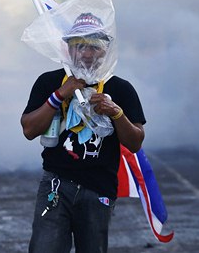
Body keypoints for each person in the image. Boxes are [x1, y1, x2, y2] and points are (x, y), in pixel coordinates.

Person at [21, 13, 146, 253]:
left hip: (99, 188)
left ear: (106, 50)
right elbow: (29, 129)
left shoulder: (119, 88)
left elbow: (135, 143)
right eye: (80, 46)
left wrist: (116, 113)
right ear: (68, 49)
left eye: (94, 47)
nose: (87, 54)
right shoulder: (50, 82)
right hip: (55, 185)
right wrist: (59, 95)